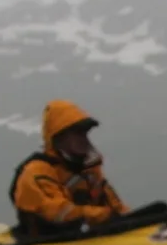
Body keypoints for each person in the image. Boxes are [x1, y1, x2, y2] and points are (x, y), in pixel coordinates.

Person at [10, 100, 129, 237]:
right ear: (59, 137)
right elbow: (57, 212)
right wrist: (102, 215)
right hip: (44, 243)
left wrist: (131, 218)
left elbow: (116, 207)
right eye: (77, 133)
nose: (84, 139)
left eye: (85, 133)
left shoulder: (89, 171)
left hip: (81, 241)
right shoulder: (37, 171)